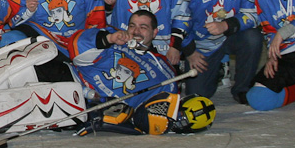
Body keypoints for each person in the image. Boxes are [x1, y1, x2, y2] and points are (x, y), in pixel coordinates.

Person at [67, 11, 212, 135]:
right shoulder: (114, 37)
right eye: (132, 26)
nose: (136, 31)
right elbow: (75, 47)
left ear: (155, 32)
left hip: (95, 107)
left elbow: (153, 117)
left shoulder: (165, 72)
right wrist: (109, 39)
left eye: (143, 27)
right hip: (70, 80)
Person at [181, 0, 262, 103]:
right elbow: (177, 18)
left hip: (232, 35)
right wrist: (190, 51)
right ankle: (217, 69)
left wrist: (226, 25)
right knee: (197, 96)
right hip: (202, 44)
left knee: (253, 38)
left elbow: (254, 14)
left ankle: (242, 88)